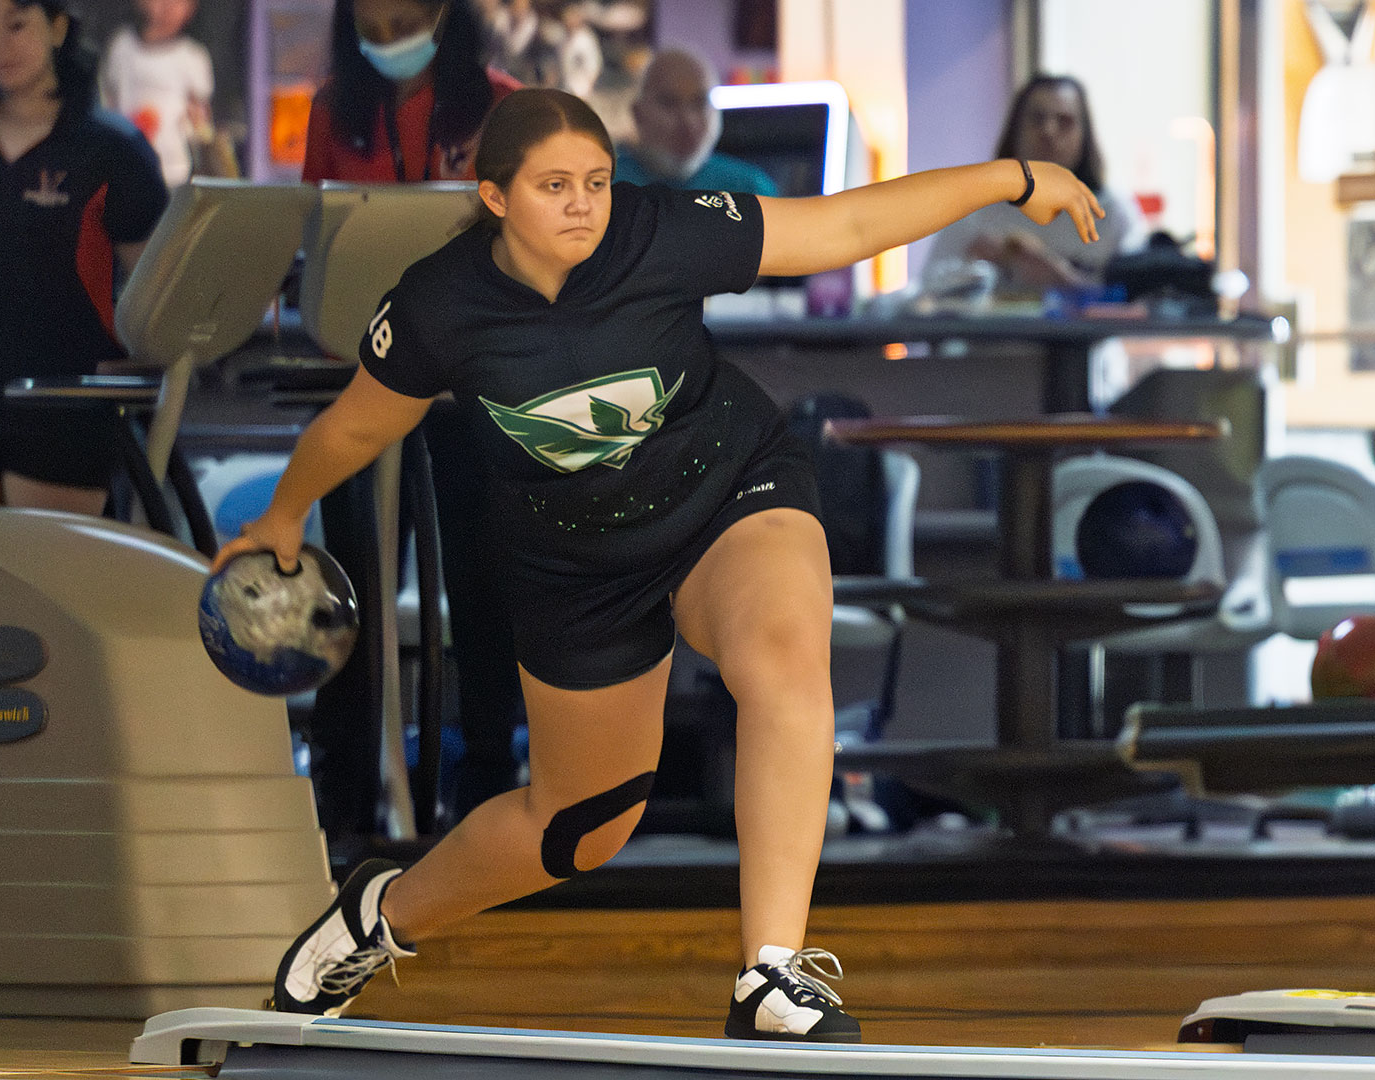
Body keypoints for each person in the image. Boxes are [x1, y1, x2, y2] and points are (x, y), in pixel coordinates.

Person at [218, 87, 1102, 1041]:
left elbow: (843, 225)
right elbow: (357, 425)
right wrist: (282, 515)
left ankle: (770, 974)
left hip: (729, 490)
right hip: (576, 565)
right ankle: (376, 916)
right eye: (554, 186)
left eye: (596, 182)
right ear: (495, 197)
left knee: (782, 659)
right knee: (577, 830)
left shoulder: (661, 232)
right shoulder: (440, 303)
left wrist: (1011, 178)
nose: (582, 205)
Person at [302, 0, 527, 828]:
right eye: (373, 17)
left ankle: (491, 776)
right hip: (363, 370)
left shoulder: (502, 106)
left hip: (473, 379)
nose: (389, 32)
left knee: (483, 579)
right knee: (353, 583)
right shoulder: (336, 110)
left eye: (405, 14)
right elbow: (318, 233)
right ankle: (347, 786)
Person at [0, 0, 169, 524]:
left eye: (18, 25)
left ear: (58, 28)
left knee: (43, 567)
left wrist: (137, 352)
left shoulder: (110, 146)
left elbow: (152, 281)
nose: (2, 44)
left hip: (65, 392)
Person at [922, 74, 1145, 293]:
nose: (1048, 132)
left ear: (1084, 135)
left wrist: (1053, 271)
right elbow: (927, 288)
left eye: (1064, 121)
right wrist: (974, 269)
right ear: (1015, 130)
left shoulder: (1113, 212)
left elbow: (1138, 298)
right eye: (1037, 120)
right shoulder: (973, 209)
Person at [301, 0, 522, 185]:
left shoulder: (507, 105)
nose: (388, 43)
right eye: (370, 31)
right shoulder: (332, 105)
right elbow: (312, 212)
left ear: (441, 14)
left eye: (404, 27)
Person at [614, 48, 777, 196]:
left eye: (700, 103)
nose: (687, 121)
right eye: (669, 103)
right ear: (638, 114)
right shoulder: (609, 185)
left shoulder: (750, 189)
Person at [99, 0, 214, 188]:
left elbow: (200, 120)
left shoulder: (192, 57)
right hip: (124, 167)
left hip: (173, 173)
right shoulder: (122, 46)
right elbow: (108, 102)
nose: (169, 6)